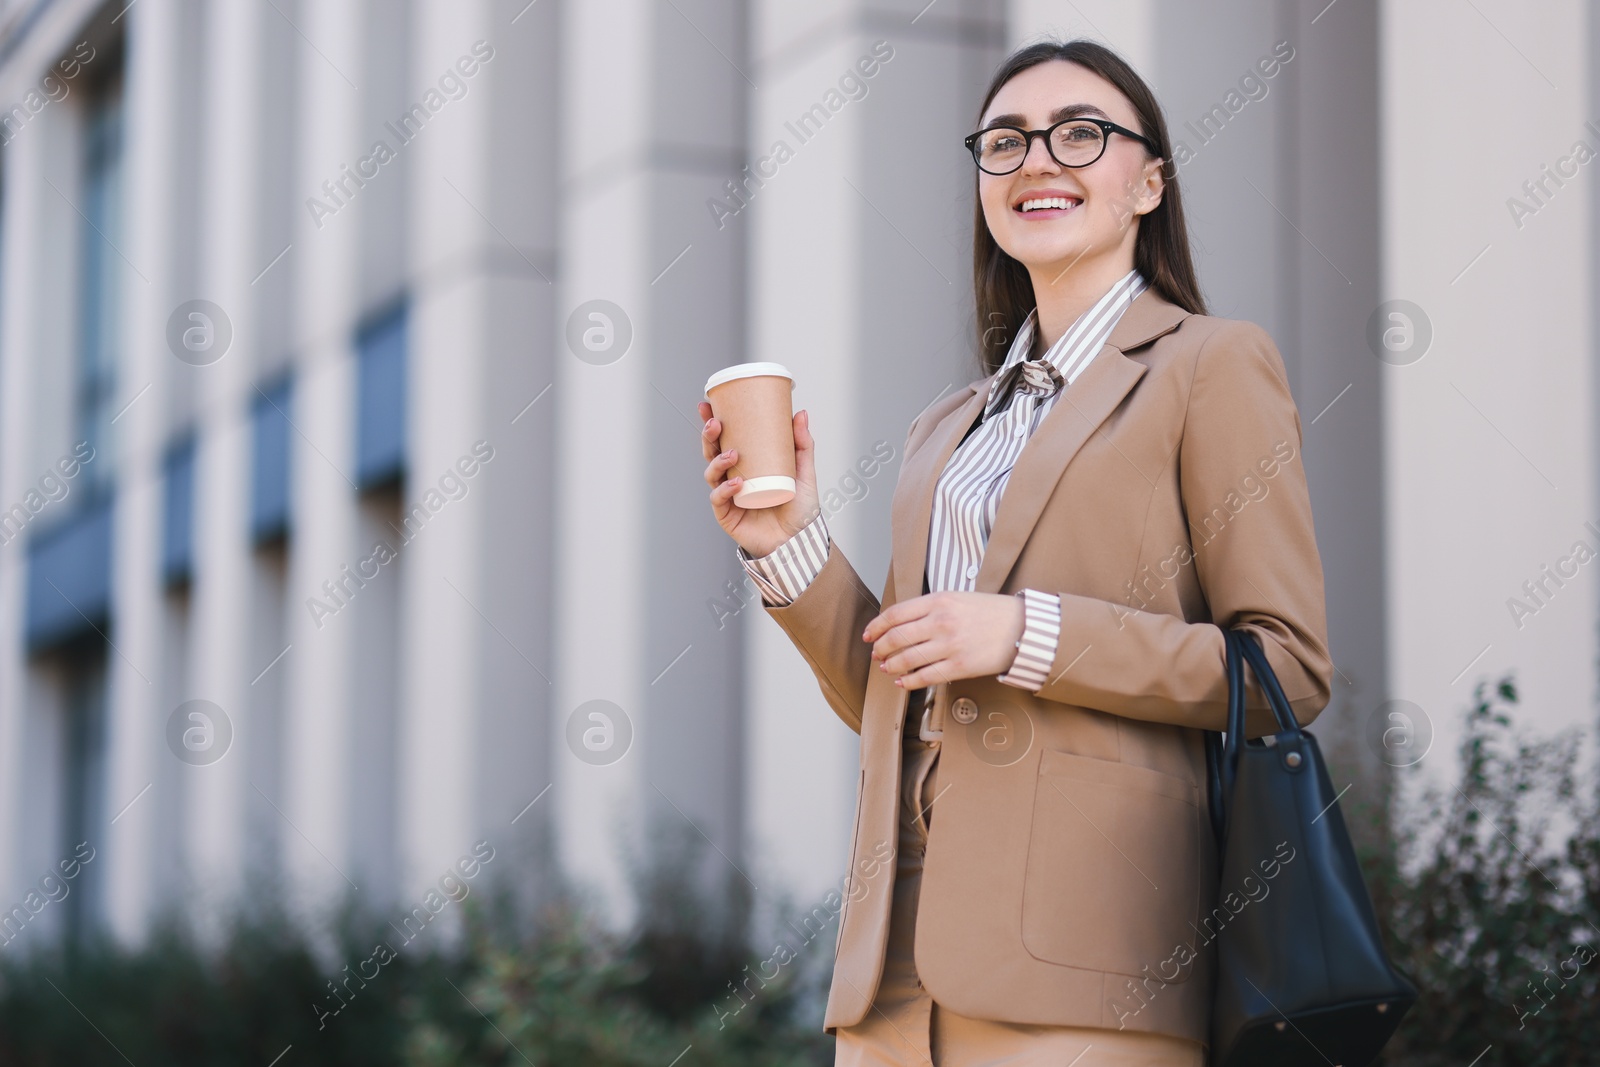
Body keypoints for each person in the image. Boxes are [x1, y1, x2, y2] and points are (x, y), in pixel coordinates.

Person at [698, 38, 1332, 1066]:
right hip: (891, 979)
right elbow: (891, 693)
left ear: (1148, 182)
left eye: (1080, 134)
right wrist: (788, 548)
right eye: (1004, 142)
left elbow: (1285, 671)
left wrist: (1029, 631)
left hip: (1087, 968)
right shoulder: (946, 427)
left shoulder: (1209, 367)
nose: (1037, 160)